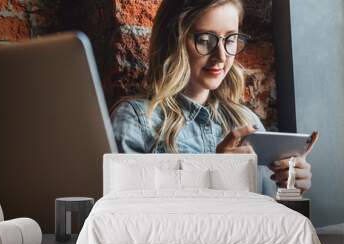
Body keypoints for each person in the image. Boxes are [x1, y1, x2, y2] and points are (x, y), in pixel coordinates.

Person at [110, 0, 313, 196]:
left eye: (231, 39)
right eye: (206, 40)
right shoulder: (136, 120)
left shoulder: (247, 121)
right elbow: (131, 218)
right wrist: (213, 177)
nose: (222, 56)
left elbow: (269, 218)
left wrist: (289, 189)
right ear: (173, 40)